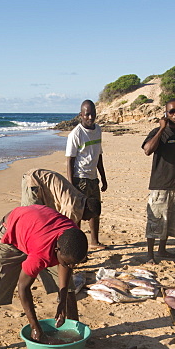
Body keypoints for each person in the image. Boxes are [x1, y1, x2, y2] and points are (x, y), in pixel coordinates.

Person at [0, 205, 89, 349]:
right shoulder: (43, 252)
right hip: (9, 233)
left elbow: (66, 265)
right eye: (68, 262)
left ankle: (77, 337)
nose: (71, 267)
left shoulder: (72, 235)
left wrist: (62, 298)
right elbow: (23, 287)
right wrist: (35, 327)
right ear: (56, 249)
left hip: (33, 228)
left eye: (75, 264)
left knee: (68, 291)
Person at [142, 99, 175, 263]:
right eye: (172, 111)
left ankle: (162, 250)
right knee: (156, 221)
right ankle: (150, 254)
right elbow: (147, 150)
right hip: (160, 185)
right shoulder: (158, 131)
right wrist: (161, 129)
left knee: (171, 220)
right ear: (165, 113)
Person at [66, 100, 108, 248]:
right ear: (81, 115)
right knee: (78, 213)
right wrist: (71, 186)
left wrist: (103, 177)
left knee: (95, 209)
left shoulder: (98, 130)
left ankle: (94, 241)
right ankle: (77, 245)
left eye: (93, 114)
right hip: (80, 179)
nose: (90, 117)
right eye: (87, 114)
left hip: (93, 178)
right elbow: (70, 161)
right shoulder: (75, 134)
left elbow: (99, 155)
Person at [20, 167, 91, 226]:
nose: (88, 219)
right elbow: (63, 227)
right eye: (90, 216)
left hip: (43, 179)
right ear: (87, 209)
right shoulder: (71, 207)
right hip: (33, 179)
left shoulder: (80, 198)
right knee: (31, 216)